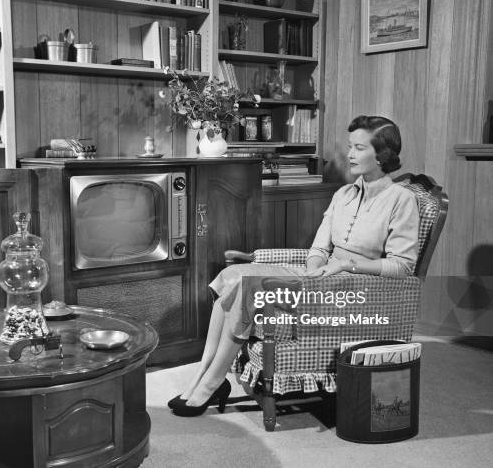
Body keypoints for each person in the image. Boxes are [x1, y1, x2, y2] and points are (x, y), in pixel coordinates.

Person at [169, 115, 420, 417]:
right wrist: (315, 268)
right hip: (319, 277)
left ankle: (211, 382)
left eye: (359, 148)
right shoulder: (343, 194)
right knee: (232, 275)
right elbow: (318, 248)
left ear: (383, 155)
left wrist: (346, 267)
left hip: (354, 291)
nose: (350, 154)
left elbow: (402, 267)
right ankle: (204, 373)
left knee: (249, 289)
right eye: (349, 146)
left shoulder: (401, 200)